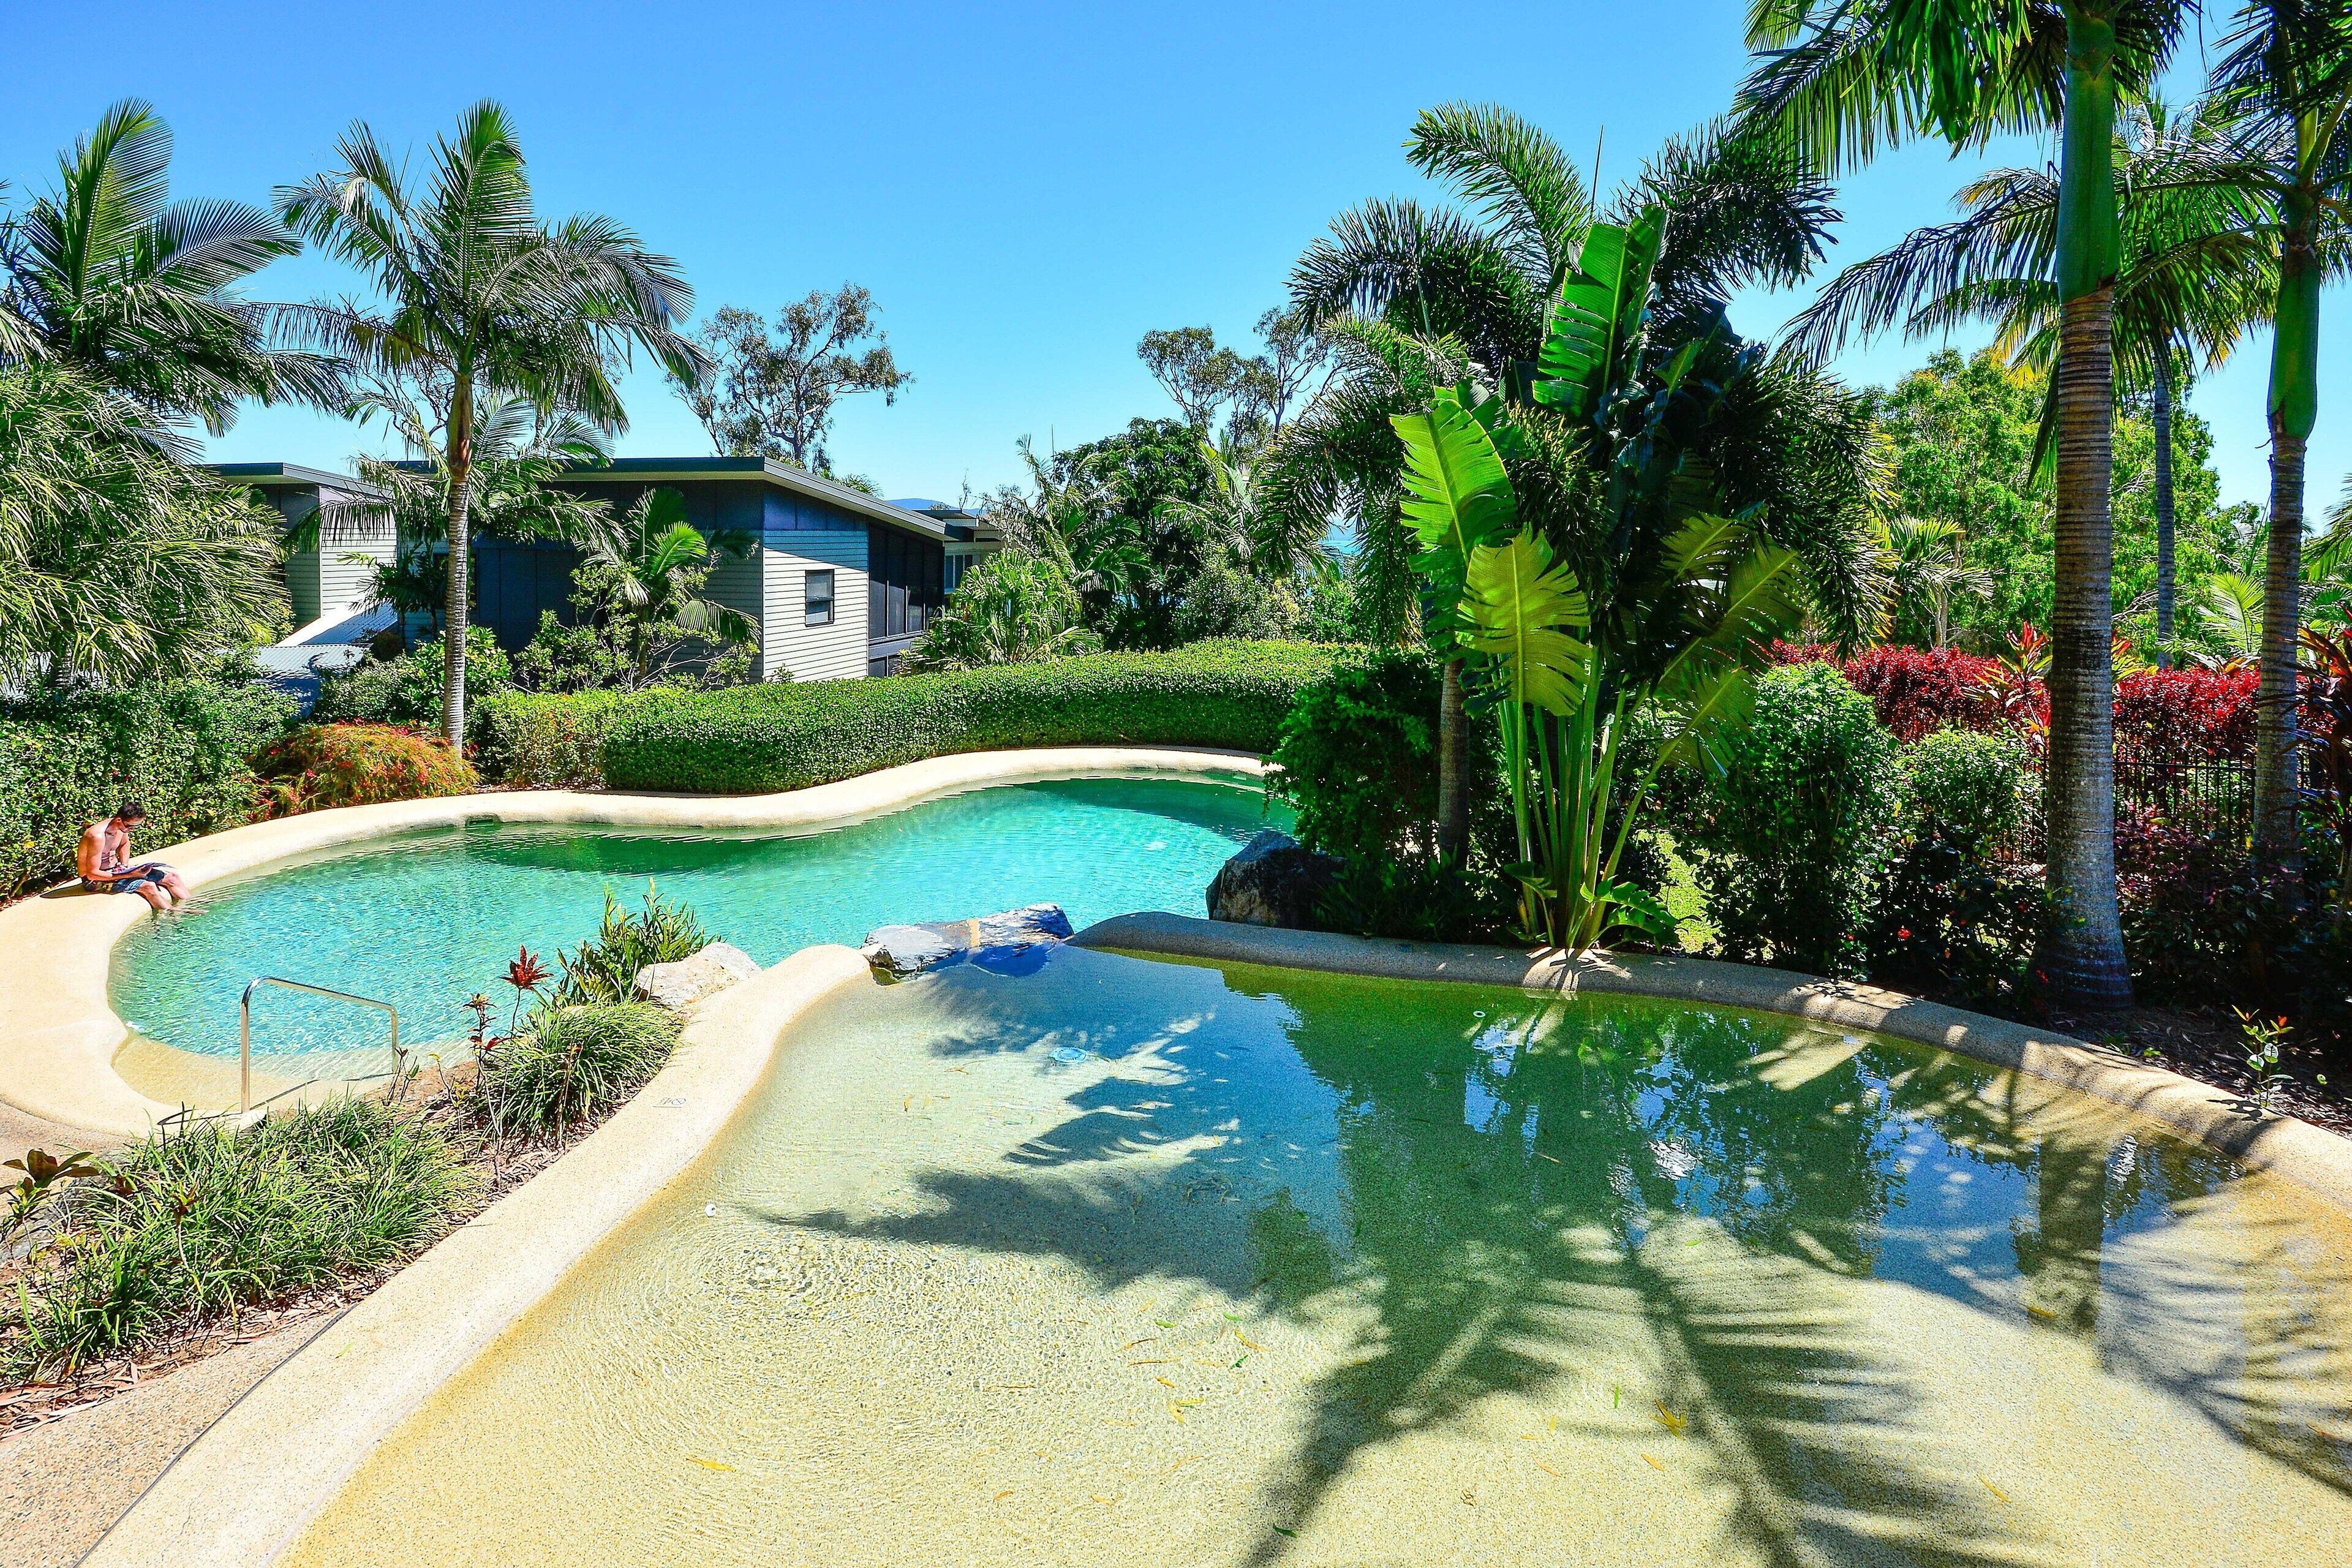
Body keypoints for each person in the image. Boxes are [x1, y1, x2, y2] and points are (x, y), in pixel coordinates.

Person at [76, 802, 188, 911]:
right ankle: (174, 917)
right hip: (93, 881)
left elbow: (125, 844)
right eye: (130, 826)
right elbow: (92, 874)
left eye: (136, 827)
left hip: (117, 871)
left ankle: (192, 907)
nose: (132, 830)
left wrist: (124, 866)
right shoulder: (97, 837)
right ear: (119, 820)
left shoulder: (121, 828)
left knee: (173, 877)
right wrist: (130, 874)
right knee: (149, 887)